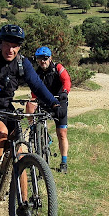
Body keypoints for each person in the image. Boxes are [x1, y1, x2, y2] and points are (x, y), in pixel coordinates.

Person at [0, 24, 65, 216]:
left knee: (20, 151)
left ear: (19, 48)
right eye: (7, 45)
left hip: (5, 108)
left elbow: (37, 85)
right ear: (0, 43)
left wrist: (54, 104)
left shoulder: (22, 63)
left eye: (15, 46)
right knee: (1, 134)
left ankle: (24, 208)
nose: (10, 50)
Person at [25, 46, 71, 174]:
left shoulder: (58, 68)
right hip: (44, 101)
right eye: (39, 59)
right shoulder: (37, 73)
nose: (42, 61)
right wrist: (33, 100)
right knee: (29, 105)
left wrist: (65, 92)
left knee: (62, 133)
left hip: (59, 100)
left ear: (50, 58)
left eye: (45, 58)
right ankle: (34, 129)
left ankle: (64, 161)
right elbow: (34, 90)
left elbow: (67, 81)